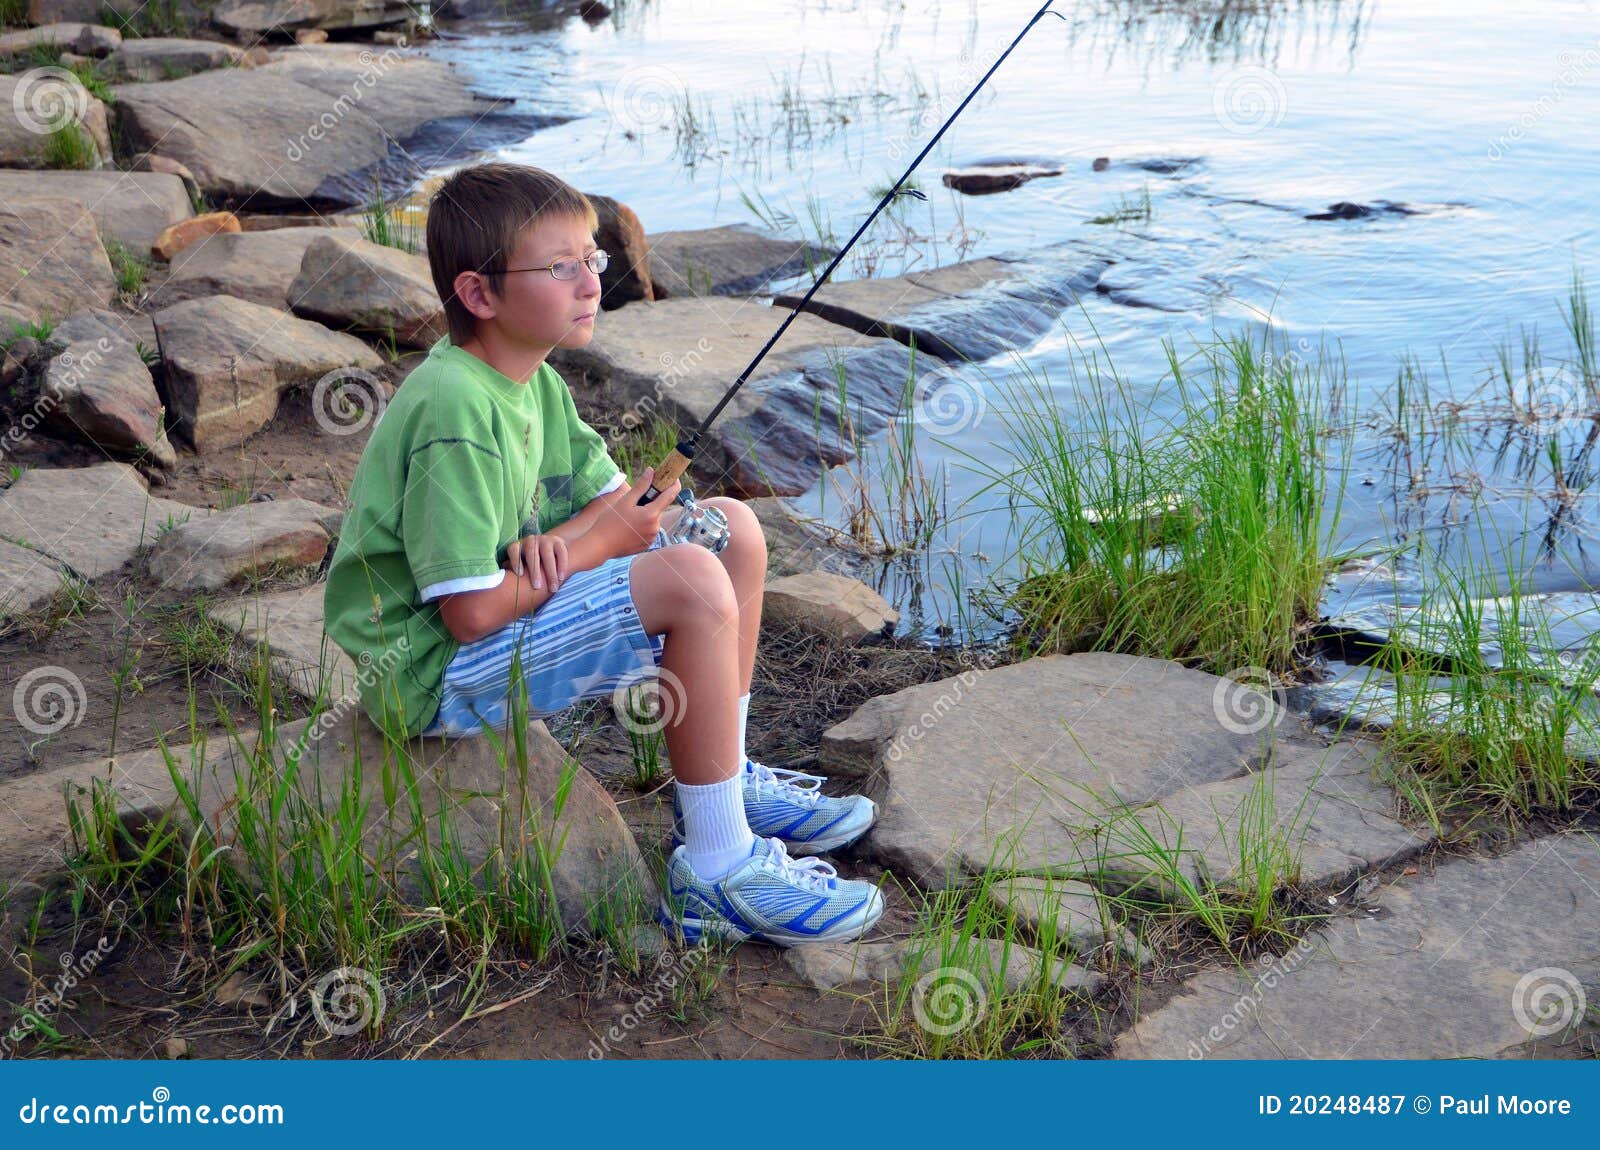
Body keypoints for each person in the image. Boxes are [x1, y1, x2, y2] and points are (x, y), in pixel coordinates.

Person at [323, 162, 884, 947]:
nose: (593, 281)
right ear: (480, 295)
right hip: (429, 672)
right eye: (562, 267)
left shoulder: (535, 385)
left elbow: (610, 504)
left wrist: (590, 537)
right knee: (689, 577)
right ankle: (716, 873)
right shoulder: (453, 407)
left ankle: (727, 779)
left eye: (592, 258)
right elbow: (471, 611)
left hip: (498, 616)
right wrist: (599, 545)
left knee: (730, 530)